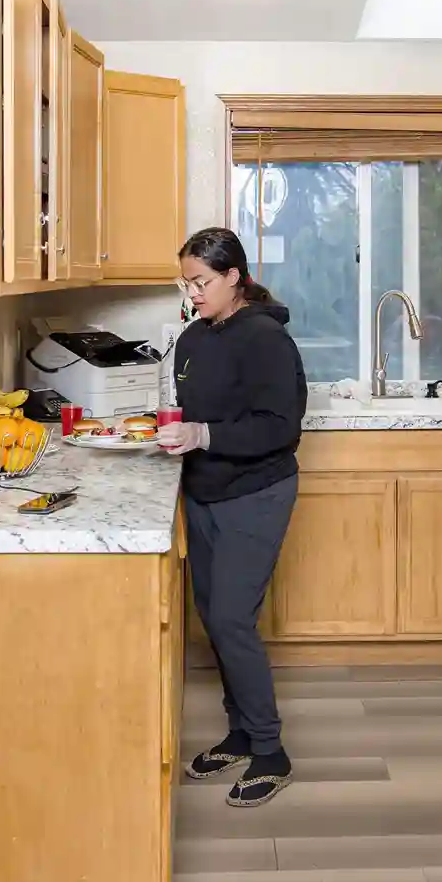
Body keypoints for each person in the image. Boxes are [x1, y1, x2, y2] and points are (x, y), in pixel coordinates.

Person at [156, 227, 307, 807]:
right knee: (213, 618)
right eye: (186, 283)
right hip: (204, 491)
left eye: (201, 282)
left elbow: (279, 427)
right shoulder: (194, 338)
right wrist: (172, 429)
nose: (192, 293)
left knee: (231, 619)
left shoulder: (266, 339)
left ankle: (270, 750)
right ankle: (240, 732)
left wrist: (204, 435)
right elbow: (195, 409)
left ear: (234, 277)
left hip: (256, 492)